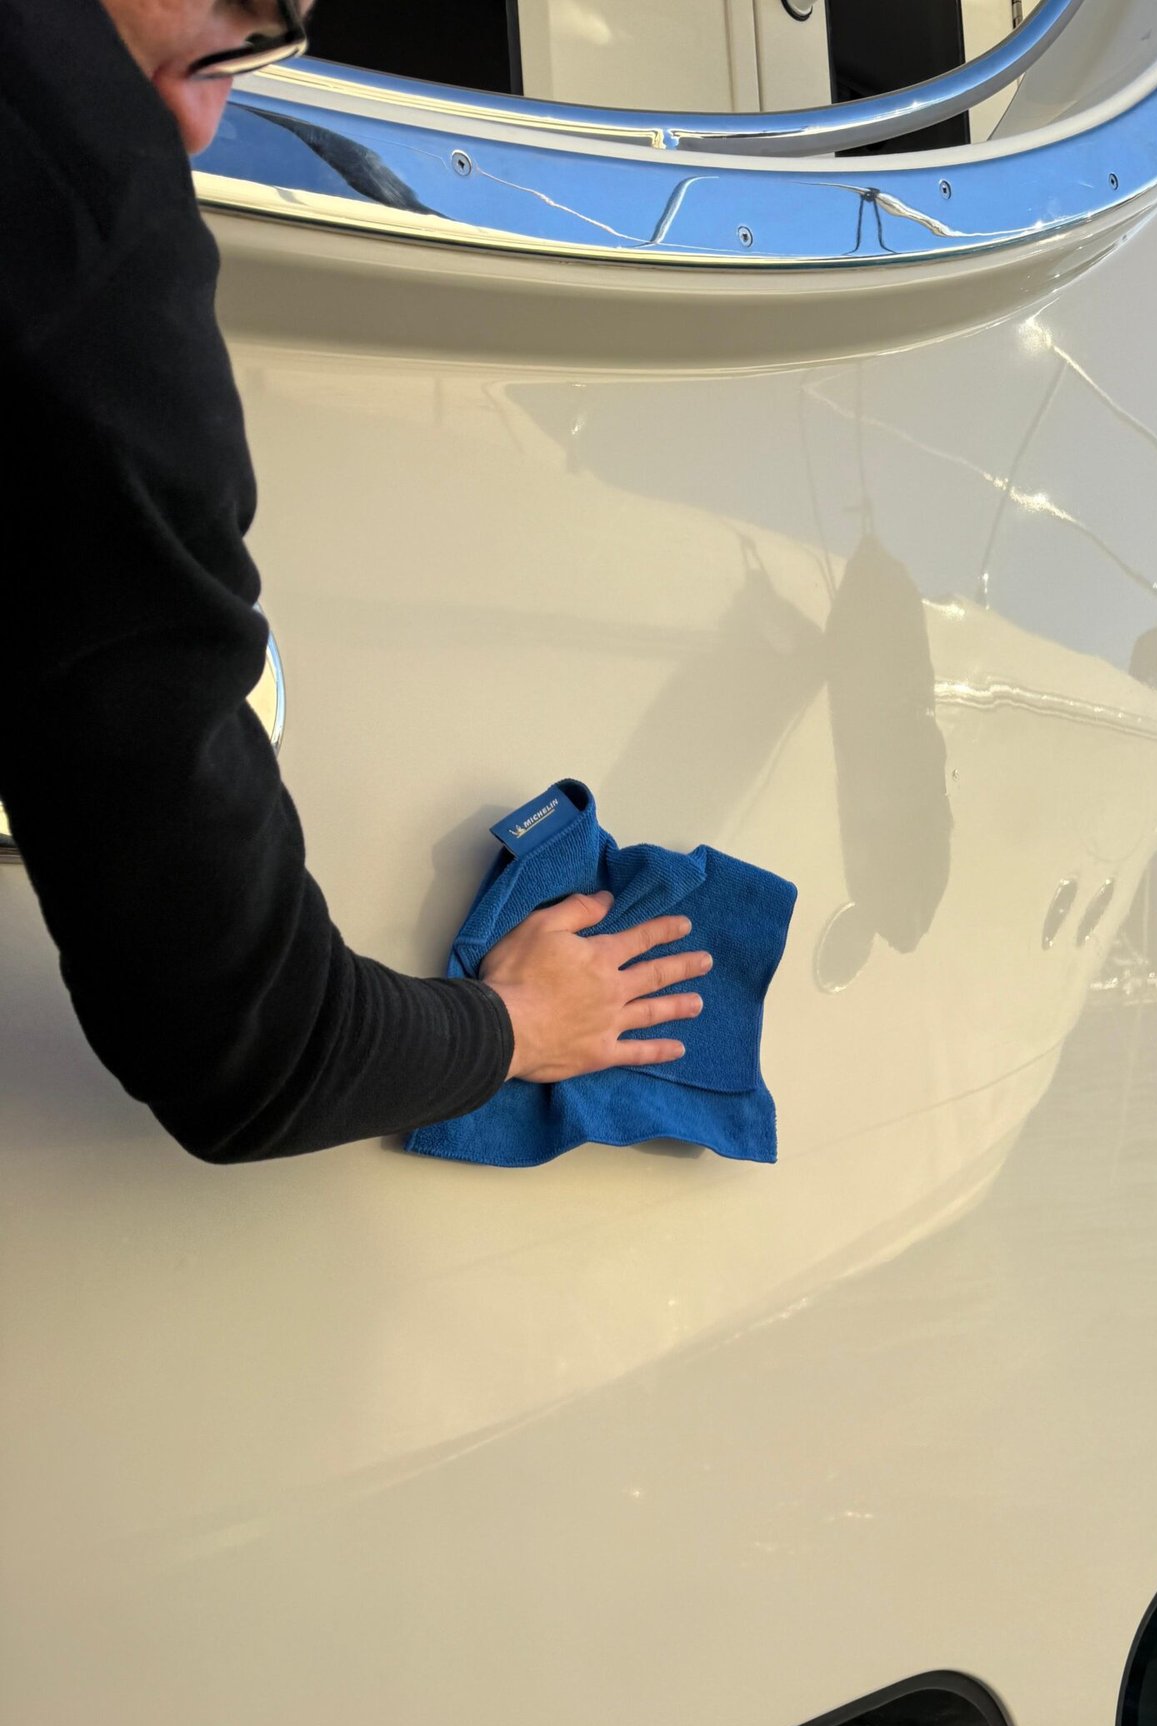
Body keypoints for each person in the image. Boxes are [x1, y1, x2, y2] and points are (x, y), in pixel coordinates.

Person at [0, 0, 712, 1162]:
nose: (197, 122)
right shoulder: (83, 222)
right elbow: (254, 1050)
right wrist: (515, 1025)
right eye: (242, 14)